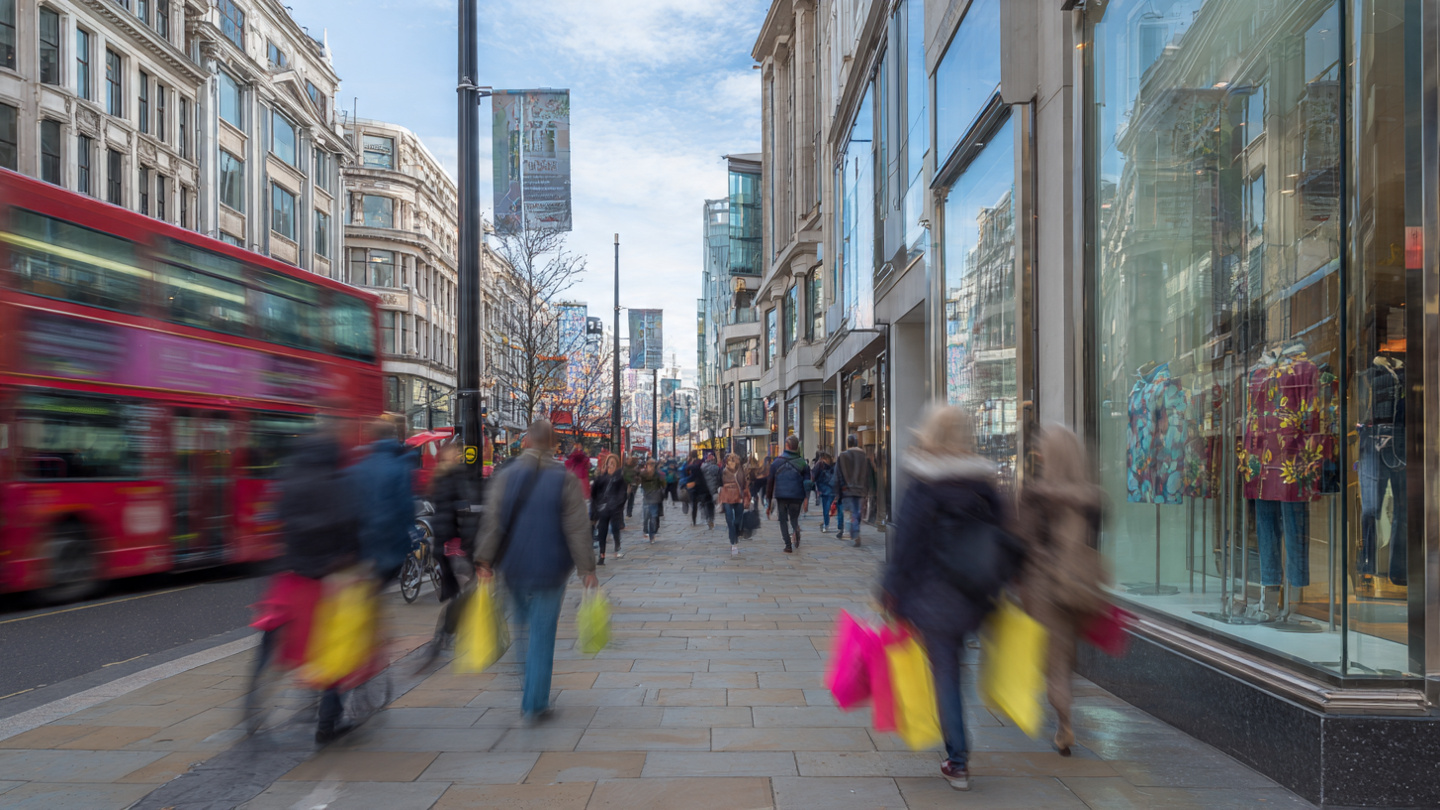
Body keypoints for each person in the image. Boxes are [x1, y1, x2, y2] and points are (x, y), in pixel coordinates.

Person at [882, 406, 1016, 792]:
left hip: (933, 595)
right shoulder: (984, 482)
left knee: (946, 672)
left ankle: (957, 760)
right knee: (954, 665)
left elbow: (906, 544)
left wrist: (889, 590)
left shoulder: (924, 483)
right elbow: (1003, 536)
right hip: (974, 594)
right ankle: (954, 744)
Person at [475, 420, 597, 724]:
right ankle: (535, 702)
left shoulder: (506, 476)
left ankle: (529, 691)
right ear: (554, 445)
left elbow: (493, 522)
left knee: (523, 631)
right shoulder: (565, 479)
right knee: (542, 635)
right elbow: (577, 528)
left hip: (514, 567)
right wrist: (587, 569)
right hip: (551, 569)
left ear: (527, 442)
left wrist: (484, 560)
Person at [1014, 426, 1108, 757]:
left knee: (1053, 659)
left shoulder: (1037, 495)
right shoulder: (1093, 498)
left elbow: (1023, 541)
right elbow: (1093, 539)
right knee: (1067, 655)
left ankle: (1063, 723)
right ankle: (1064, 702)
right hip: (1082, 586)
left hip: (1045, 585)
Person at [276, 412, 361, 744]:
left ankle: (305, 696)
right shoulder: (335, 480)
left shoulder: (292, 473)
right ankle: (329, 720)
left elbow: (282, 517)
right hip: (331, 576)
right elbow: (349, 524)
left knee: (305, 642)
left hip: (298, 573)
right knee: (335, 645)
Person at [350, 417, 418, 586]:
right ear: (393, 436)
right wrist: (412, 534)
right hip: (392, 541)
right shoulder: (400, 466)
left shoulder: (360, 466)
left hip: (366, 541)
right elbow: (406, 507)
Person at [766, 435, 810, 553]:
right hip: (797, 495)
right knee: (794, 518)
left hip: (781, 495)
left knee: (783, 520)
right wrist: (806, 498)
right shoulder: (803, 463)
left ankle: (788, 545)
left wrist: (769, 501)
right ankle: (795, 529)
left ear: (786, 446)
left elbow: (770, 483)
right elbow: (807, 482)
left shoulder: (776, 462)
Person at [591, 454, 629, 565]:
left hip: (614, 509)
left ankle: (617, 544)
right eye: (609, 463)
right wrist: (599, 476)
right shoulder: (603, 477)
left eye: (613, 463)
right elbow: (594, 492)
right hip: (603, 509)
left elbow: (623, 494)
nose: (610, 466)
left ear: (617, 465)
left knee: (615, 528)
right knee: (602, 531)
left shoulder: (619, 478)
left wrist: (616, 505)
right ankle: (601, 555)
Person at [836, 434, 872, 547]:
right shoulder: (864, 456)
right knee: (857, 512)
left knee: (850, 512)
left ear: (848, 443)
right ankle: (855, 532)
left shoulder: (842, 456)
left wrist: (838, 491)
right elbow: (868, 475)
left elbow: (838, 475)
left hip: (847, 490)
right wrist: (867, 489)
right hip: (860, 489)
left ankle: (853, 532)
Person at [717, 452, 751, 556]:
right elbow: (718, 483)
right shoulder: (723, 471)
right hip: (730, 496)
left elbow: (744, 484)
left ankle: (734, 539)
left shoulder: (739, 471)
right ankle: (733, 541)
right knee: (732, 519)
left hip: (734, 496)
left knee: (734, 519)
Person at [638, 460, 668, 542]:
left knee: (653, 517)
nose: (650, 466)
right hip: (647, 498)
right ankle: (647, 532)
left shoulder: (658, 474)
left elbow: (663, 484)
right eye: (649, 464)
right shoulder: (643, 474)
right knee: (647, 516)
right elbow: (637, 481)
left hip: (654, 498)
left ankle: (652, 535)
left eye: (652, 465)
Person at [812, 452, 837, 535]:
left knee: (826, 508)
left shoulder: (820, 465)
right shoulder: (834, 466)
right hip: (832, 489)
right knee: (829, 507)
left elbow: (813, 475)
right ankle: (829, 524)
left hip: (824, 490)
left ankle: (826, 525)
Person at [700, 452, 722, 530]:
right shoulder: (716, 468)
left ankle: (708, 519)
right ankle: (711, 519)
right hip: (713, 490)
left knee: (706, 505)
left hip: (705, 490)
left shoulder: (702, 467)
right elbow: (719, 479)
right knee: (711, 506)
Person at [683, 451, 706, 526]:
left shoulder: (688, 464)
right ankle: (702, 518)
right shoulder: (700, 463)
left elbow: (685, 474)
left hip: (691, 486)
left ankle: (694, 520)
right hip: (700, 486)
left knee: (694, 504)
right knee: (701, 503)